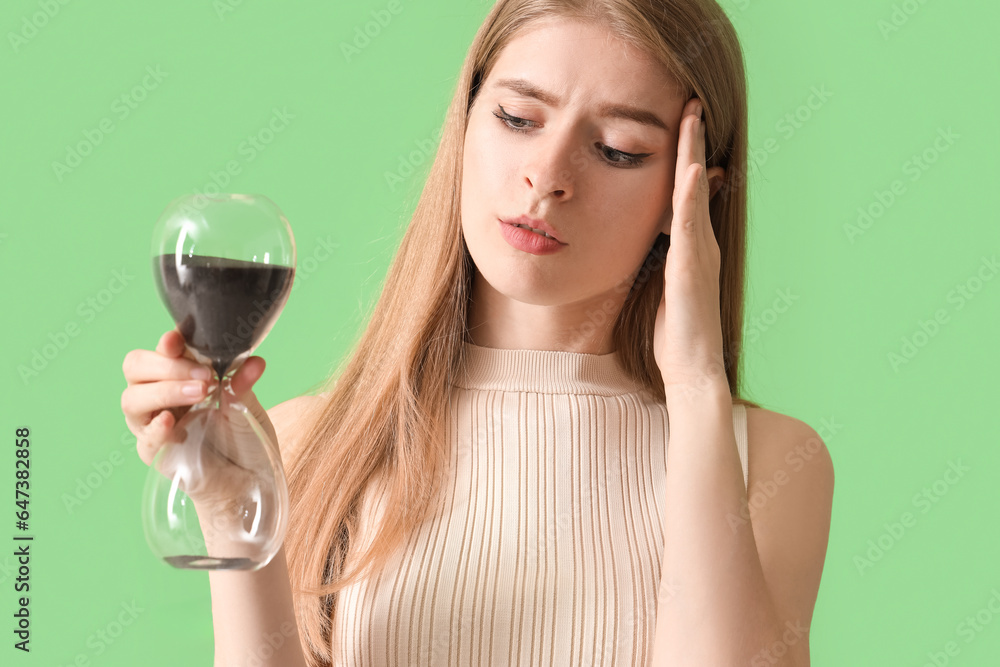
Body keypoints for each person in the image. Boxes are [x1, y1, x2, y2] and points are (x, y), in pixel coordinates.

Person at [121, 0, 834, 665]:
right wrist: (231, 509)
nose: (546, 176)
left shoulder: (766, 462)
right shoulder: (310, 444)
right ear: (465, 125)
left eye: (617, 149)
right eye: (519, 118)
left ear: (689, 198)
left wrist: (696, 383)